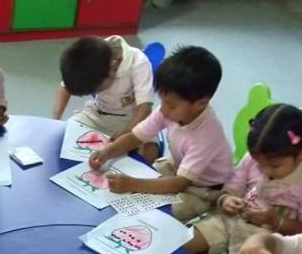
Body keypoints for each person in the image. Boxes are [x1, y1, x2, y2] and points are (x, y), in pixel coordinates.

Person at [184, 104, 302, 254]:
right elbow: (230, 190)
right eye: (259, 163)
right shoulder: (255, 158)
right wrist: (226, 200)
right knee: (182, 243)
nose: (265, 170)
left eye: (274, 166)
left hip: (268, 238)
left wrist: (274, 220)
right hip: (231, 220)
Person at [89, 46, 233, 222]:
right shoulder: (170, 110)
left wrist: (131, 184)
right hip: (180, 167)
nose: (162, 110)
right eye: (162, 101)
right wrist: (107, 152)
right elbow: (135, 136)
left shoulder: (206, 136)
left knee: (166, 212)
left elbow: (180, 183)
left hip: (206, 188)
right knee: (142, 175)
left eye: (171, 105)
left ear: (200, 104)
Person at [53, 35, 156, 161]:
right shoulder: (90, 55)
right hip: (97, 114)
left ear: (112, 68)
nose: (95, 93)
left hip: (132, 119)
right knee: (65, 135)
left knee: (149, 152)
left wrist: (127, 131)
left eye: (96, 90)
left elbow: (145, 108)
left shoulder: (139, 63)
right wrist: (55, 120)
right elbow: (65, 87)